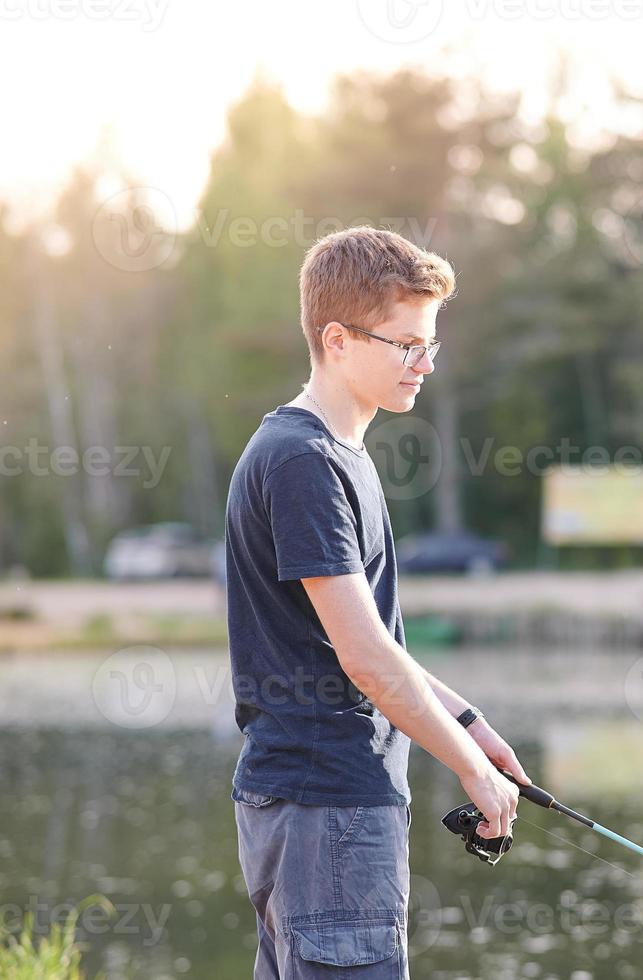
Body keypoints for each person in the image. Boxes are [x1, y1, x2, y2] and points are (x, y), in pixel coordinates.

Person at [224, 226, 528, 978]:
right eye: (405, 344)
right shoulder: (302, 461)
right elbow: (363, 658)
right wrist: (473, 774)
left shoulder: (337, 453)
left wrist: (470, 723)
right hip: (326, 808)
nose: (423, 363)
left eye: (430, 345)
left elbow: (374, 643)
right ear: (337, 339)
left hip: (314, 808)